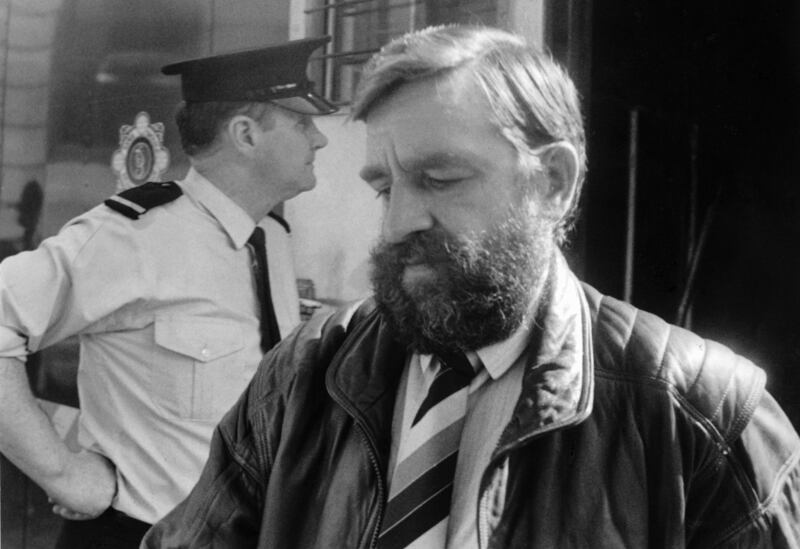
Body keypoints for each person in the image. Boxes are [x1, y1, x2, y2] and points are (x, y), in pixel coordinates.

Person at [143, 25, 800, 548]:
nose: (398, 223)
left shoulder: (701, 414)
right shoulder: (303, 376)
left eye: (441, 179)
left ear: (553, 182)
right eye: (384, 187)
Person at [0, 36, 337, 549]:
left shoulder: (270, 239)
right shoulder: (134, 236)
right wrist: (64, 475)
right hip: (140, 536)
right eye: (301, 123)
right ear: (245, 134)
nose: (320, 139)